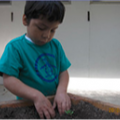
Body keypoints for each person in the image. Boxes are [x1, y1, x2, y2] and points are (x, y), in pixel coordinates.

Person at [0, 1, 71, 119]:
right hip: (28, 105)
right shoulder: (15, 47)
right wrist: (36, 96)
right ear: (25, 20)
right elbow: (9, 79)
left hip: (53, 103)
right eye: (41, 28)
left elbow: (63, 72)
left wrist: (61, 91)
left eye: (53, 30)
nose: (47, 35)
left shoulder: (55, 46)